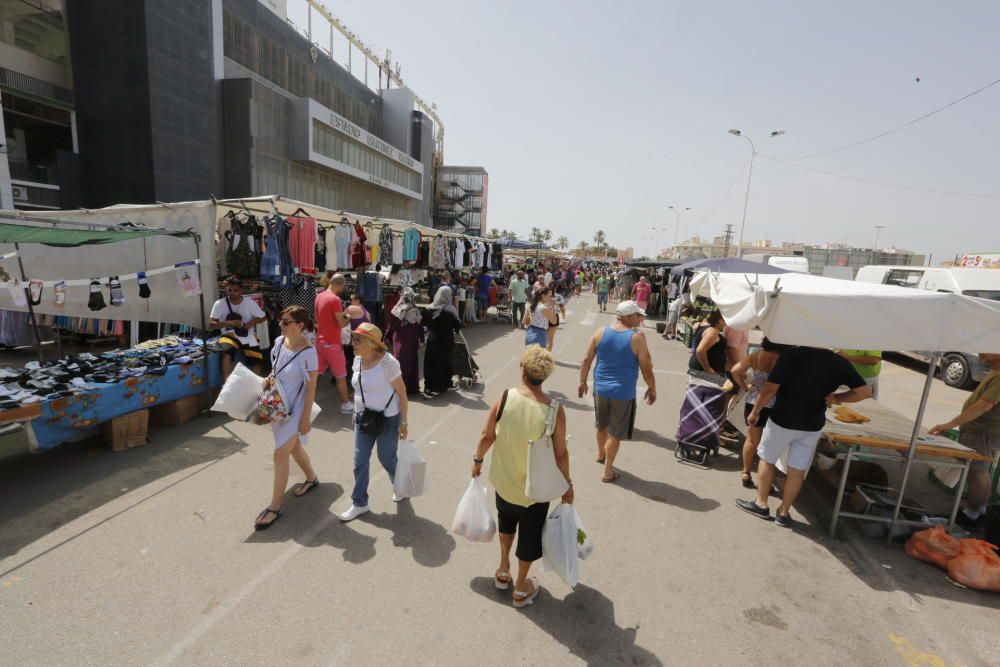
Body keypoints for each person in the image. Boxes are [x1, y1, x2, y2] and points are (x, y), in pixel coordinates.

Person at [472, 345, 572, 607]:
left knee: (506, 523)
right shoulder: (554, 410)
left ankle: (503, 570)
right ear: (544, 376)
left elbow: (486, 435)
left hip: (504, 483)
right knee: (529, 535)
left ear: (523, 370)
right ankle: (521, 586)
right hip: (535, 491)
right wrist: (567, 486)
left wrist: (478, 461)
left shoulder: (505, 397)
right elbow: (561, 454)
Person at [737, 347, 870, 527]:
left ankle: (761, 503)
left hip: (783, 419)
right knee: (797, 469)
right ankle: (784, 512)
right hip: (812, 423)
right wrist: (837, 398)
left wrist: (755, 411)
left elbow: (769, 389)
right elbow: (864, 392)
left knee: (767, 458)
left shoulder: (791, 355)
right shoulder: (839, 362)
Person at [254, 306, 320, 530]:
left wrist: (305, 419)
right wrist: (268, 378)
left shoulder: (309, 352)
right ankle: (312, 478)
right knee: (292, 448)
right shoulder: (279, 342)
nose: (280, 325)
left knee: (280, 452)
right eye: (280, 321)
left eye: (286, 322)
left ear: (300, 325)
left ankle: (274, 507)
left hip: (295, 410)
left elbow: (311, 389)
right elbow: (276, 368)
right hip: (277, 406)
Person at [338, 322, 411, 521]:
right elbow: (359, 390)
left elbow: (402, 394)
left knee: (387, 459)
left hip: (388, 419)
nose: (352, 343)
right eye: (353, 339)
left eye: (357, 340)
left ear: (370, 343)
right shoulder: (357, 360)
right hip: (364, 418)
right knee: (359, 461)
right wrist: (355, 412)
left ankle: (400, 485)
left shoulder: (388, 363)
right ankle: (359, 503)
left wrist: (404, 423)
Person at [578, 301, 656, 483]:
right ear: (629, 317)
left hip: (601, 388)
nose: (639, 318)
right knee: (615, 433)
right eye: (637, 315)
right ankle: (607, 471)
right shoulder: (637, 338)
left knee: (601, 425)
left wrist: (582, 381)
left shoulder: (600, 332)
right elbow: (647, 368)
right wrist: (652, 387)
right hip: (623, 392)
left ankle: (600, 454)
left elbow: (586, 359)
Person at [929, 353, 1000, 530]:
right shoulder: (995, 371)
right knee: (978, 472)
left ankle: (972, 515)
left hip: (983, 432)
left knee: (977, 472)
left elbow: (984, 405)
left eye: (987, 349)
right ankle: (978, 511)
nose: (980, 352)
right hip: (979, 431)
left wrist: (951, 424)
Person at [731, 338, 786, 489]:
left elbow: (735, 371)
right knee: (770, 444)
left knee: (751, 439)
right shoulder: (783, 359)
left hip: (753, 402)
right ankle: (766, 481)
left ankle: (746, 472)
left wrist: (745, 386)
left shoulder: (756, 355)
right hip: (776, 404)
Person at [209, 277, 267, 379]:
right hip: (229, 335)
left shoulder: (249, 303)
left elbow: (263, 317)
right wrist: (228, 323)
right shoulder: (219, 304)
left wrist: (252, 322)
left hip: (247, 334)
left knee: (257, 360)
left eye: (235, 290)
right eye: (229, 290)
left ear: (241, 291)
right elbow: (212, 324)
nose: (232, 293)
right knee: (226, 354)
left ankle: (253, 388)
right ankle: (227, 385)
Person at [314, 272, 354, 414]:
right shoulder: (335, 300)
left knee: (315, 375)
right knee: (341, 376)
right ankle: (345, 404)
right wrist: (348, 317)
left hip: (320, 341)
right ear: (339, 284)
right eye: (343, 286)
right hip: (332, 343)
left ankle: (305, 401)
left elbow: (317, 319)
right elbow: (341, 323)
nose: (343, 289)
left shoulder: (319, 296)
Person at [423, 286, 462, 397]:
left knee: (430, 362)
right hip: (446, 342)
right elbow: (458, 326)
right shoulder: (450, 310)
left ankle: (429, 387)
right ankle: (444, 385)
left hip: (432, 341)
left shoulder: (430, 308)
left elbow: (424, 324)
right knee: (445, 361)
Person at [386, 287, 424, 394]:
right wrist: (421, 339)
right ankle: (410, 388)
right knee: (411, 362)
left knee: (399, 361)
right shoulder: (414, 309)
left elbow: (391, 325)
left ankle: (398, 388)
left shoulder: (396, 308)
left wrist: (386, 338)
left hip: (398, 338)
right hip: (411, 338)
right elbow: (419, 326)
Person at [689, 311, 727, 375]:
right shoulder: (712, 332)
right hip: (705, 370)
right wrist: (707, 368)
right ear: (720, 320)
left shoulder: (703, 324)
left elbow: (695, 326)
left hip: (698, 366)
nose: (726, 324)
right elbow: (700, 351)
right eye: (726, 321)